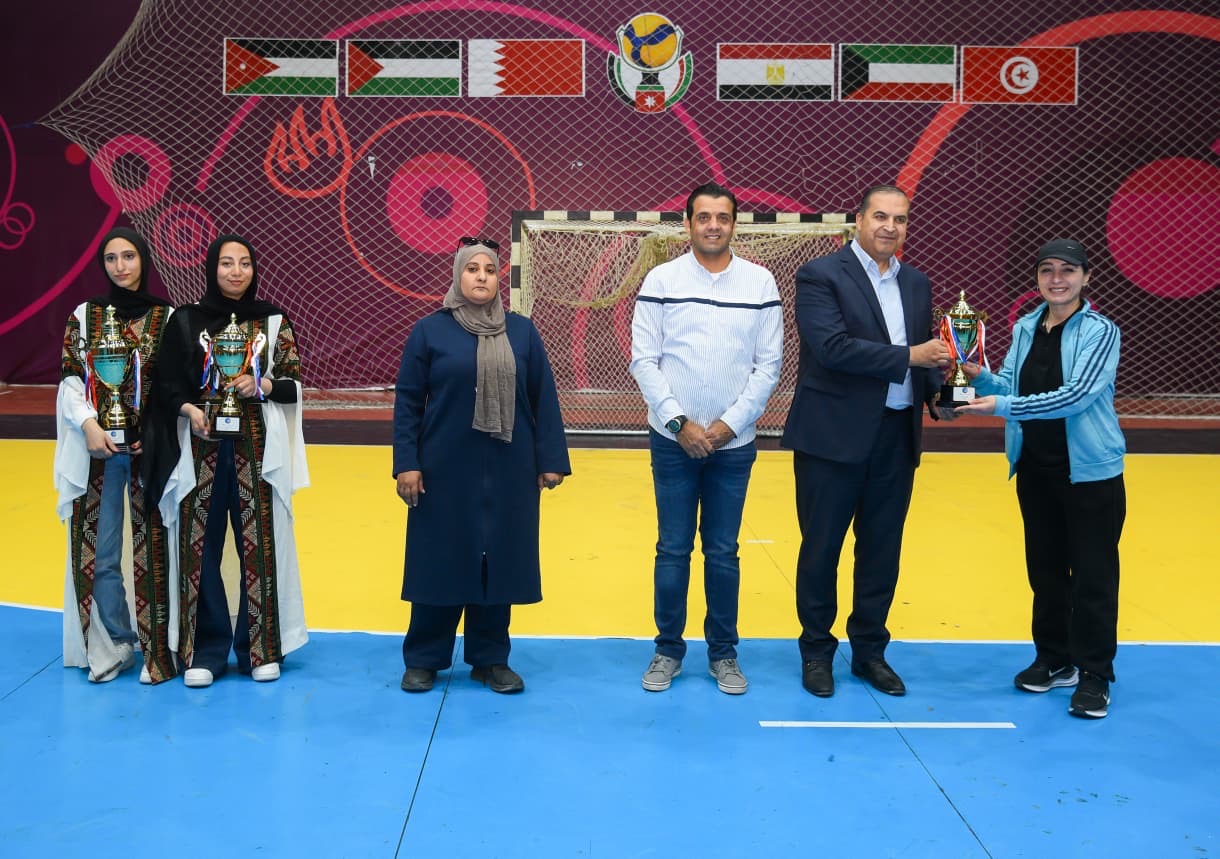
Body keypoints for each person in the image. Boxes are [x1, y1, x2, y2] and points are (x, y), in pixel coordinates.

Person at [781, 184, 955, 698]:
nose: (889, 227)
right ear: (857, 220)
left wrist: (945, 392)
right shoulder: (820, 275)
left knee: (881, 551)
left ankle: (870, 653)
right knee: (821, 549)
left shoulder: (916, 283)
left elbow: (926, 359)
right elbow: (832, 348)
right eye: (880, 216)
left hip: (896, 437)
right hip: (831, 438)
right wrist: (912, 357)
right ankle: (817, 652)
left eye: (899, 219)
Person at [954, 239, 1125, 719]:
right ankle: (1054, 659)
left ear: (1086, 277)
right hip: (1036, 468)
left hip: (1089, 473)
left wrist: (1001, 406)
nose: (1056, 279)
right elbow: (1011, 385)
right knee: (1046, 572)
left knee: (1093, 577)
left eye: (1067, 270)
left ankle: (1095, 675)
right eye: (1047, 270)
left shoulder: (1101, 331)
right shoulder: (1026, 327)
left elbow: (1076, 396)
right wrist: (977, 376)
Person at [393, 237, 569, 695]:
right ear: (458, 275)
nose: (481, 277)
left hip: (510, 467)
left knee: (498, 560)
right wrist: (407, 463)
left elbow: (543, 397)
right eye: (472, 269)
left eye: (489, 270)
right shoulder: (430, 331)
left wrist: (550, 459)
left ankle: (490, 658)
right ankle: (425, 658)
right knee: (438, 558)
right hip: (443, 468)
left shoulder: (522, 332)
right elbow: (408, 401)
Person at [629, 183, 783, 695]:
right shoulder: (661, 279)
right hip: (672, 443)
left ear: (734, 223)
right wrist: (681, 424)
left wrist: (726, 427)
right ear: (688, 223)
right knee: (672, 549)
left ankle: (724, 654)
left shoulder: (760, 283)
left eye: (722, 217)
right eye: (703, 217)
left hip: (732, 448)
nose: (713, 225)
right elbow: (643, 361)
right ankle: (667, 650)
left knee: (722, 552)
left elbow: (769, 366)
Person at [148, 234, 309, 688]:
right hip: (200, 447)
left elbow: (294, 384)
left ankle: (260, 649)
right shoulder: (186, 320)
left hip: (256, 449)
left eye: (244, 263)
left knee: (259, 547)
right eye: (226, 263)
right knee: (199, 549)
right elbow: (166, 385)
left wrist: (262, 387)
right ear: (211, 269)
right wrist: (190, 410)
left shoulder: (273, 320)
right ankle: (205, 650)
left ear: (254, 270)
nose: (236, 272)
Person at [55, 226, 177, 684]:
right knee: (101, 553)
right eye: (111, 258)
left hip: (150, 452)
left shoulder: (167, 317)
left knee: (156, 549)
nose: (120, 266)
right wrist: (88, 426)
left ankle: (159, 646)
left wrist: (154, 431)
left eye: (129, 256)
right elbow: (71, 378)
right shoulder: (84, 316)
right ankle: (117, 643)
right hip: (98, 453)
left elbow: (173, 385)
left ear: (143, 260)